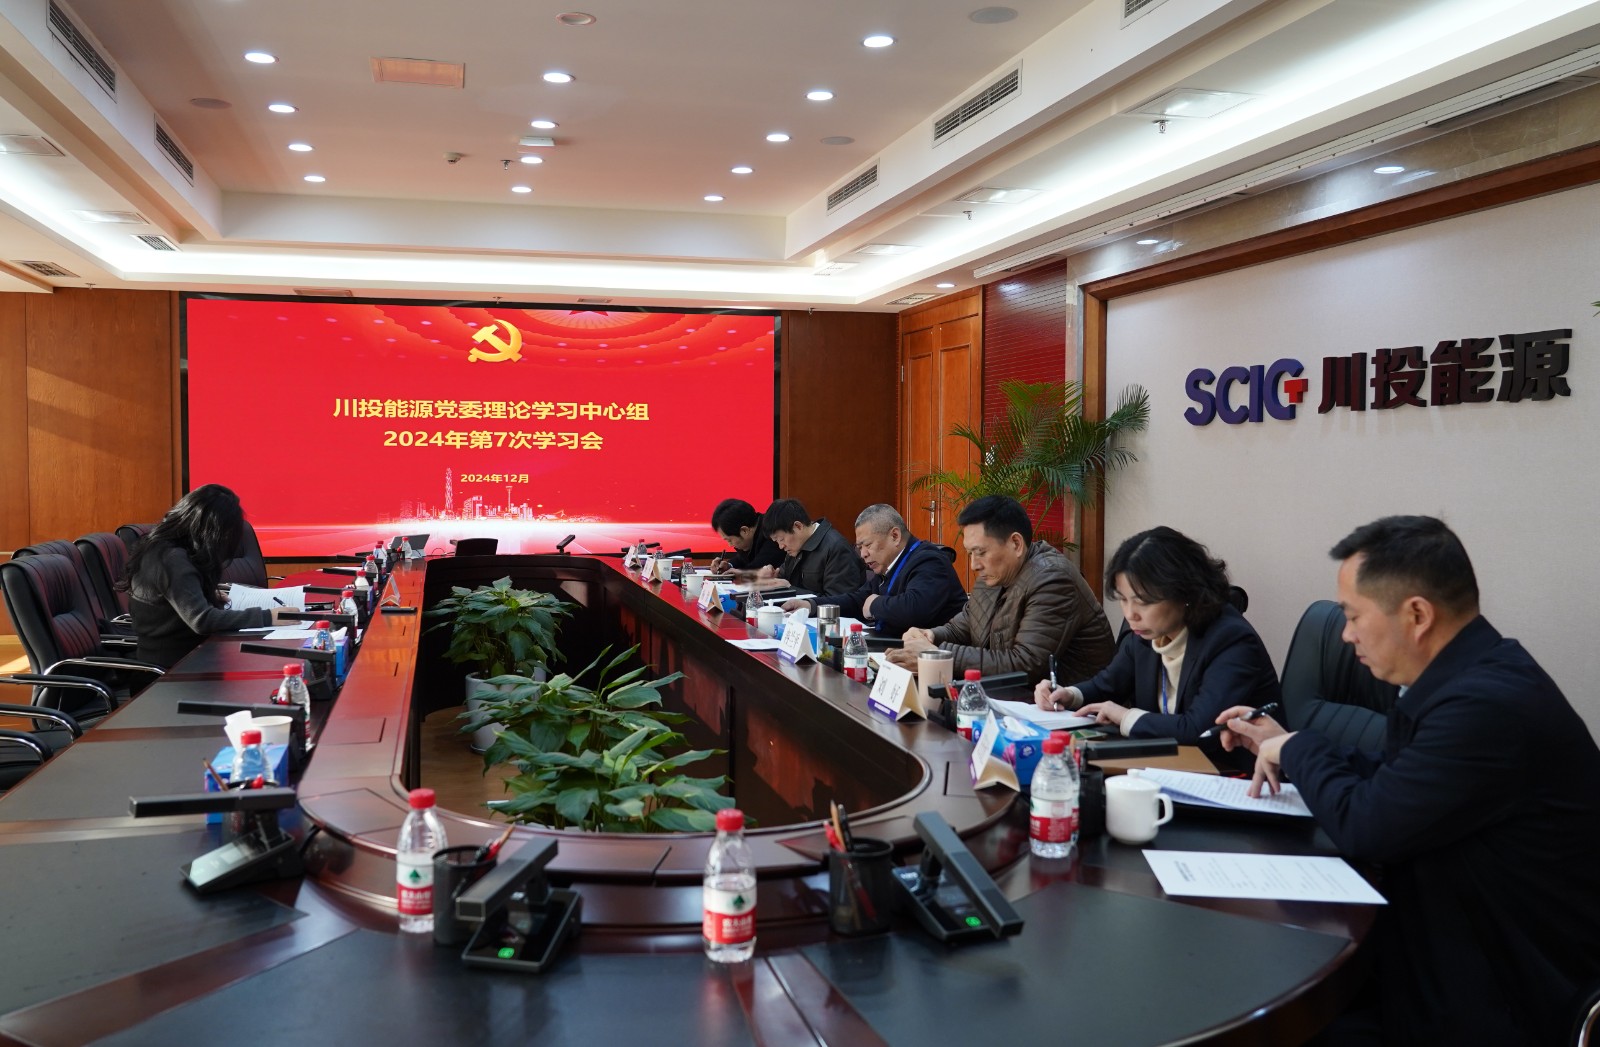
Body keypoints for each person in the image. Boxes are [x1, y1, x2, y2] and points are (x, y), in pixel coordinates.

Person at [1218, 516, 1600, 1046]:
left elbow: (1368, 825)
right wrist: (1287, 744)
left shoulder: (1486, 706)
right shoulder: (1467, 677)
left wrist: (1301, 749)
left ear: (1417, 615)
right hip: (1443, 953)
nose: (1346, 634)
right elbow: (1398, 780)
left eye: (1354, 615)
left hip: (1508, 997)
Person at [1032, 526, 1278, 745]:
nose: (1130, 614)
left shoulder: (1231, 640)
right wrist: (1068, 695)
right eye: (1123, 600)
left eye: (1143, 601)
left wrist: (1125, 716)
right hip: (1170, 765)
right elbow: (1107, 685)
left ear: (1185, 592)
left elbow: (1200, 730)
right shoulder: (1147, 634)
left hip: (1231, 773)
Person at [888, 495, 1115, 681]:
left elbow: (1024, 664)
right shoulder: (993, 576)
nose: (974, 565)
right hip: (1017, 700)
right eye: (970, 553)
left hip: (1075, 709)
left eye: (981, 552)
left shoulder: (1053, 579)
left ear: (1016, 544)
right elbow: (961, 628)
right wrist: (929, 636)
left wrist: (936, 655)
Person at [123, 484, 293, 668]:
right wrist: (269, 616)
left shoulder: (166, 548)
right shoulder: (170, 559)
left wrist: (202, 594)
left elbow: (174, 604)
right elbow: (202, 620)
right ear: (211, 531)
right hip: (173, 669)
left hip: (192, 655)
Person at [782, 504, 966, 637]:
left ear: (895, 536)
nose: (863, 554)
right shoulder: (889, 564)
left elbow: (915, 609)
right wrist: (812, 605)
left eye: (868, 545)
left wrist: (875, 604)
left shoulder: (930, 561)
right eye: (859, 547)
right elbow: (858, 600)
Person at [745, 498, 865, 596]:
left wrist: (789, 588)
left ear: (798, 526)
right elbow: (782, 576)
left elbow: (838, 602)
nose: (781, 546)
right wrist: (770, 576)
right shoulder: (795, 547)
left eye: (781, 539)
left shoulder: (836, 548)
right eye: (777, 542)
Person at [707, 498, 784, 573]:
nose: (730, 545)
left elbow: (756, 569)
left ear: (744, 530)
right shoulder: (755, 531)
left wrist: (734, 573)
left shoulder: (772, 535)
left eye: (729, 540)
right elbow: (742, 559)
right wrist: (729, 566)